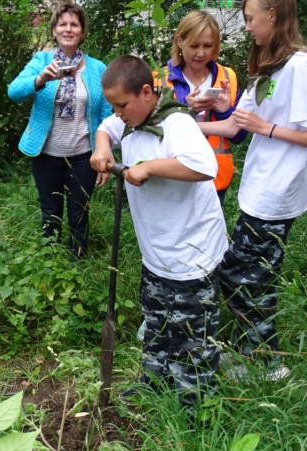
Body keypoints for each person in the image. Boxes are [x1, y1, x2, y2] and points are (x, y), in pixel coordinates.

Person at [197, 0, 307, 380]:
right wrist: (183, 122)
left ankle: (268, 362)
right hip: (258, 189)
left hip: (276, 193)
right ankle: (256, 353)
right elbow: (233, 129)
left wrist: (265, 127)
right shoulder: (268, 66)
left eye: (249, 19)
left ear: (272, 14)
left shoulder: (300, 66)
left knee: (247, 277)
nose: (246, 28)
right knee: (248, 274)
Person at [91, 55, 228, 410]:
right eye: (113, 105)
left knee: (192, 336)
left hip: (191, 253)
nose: (117, 112)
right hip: (157, 253)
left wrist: (149, 166)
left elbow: (204, 165)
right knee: (157, 323)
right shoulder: (128, 120)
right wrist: (102, 148)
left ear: (147, 93)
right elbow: (106, 127)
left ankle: (193, 403)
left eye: (122, 104)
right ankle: (154, 380)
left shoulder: (177, 124)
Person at [8, 1, 111, 259]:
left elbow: (106, 114)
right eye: (62, 24)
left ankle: (77, 265)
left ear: (82, 31)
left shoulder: (98, 68)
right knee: (50, 213)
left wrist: (104, 151)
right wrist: (41, 79)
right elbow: (14, 92)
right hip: (47, 156)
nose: (68, 29)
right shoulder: (42, 61)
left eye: (74, 24)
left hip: (83, 155)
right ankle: (50, 266)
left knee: (79, 213)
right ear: (54, 30)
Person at [153, 10, 247, 206]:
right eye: (194, 45)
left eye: (208, 46)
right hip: (174, 175)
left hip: (215, 176)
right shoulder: (159, 79)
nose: (201, 53)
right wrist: (188, 108)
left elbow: (239, 136)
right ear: (180, 41)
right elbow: (150, 130)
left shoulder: (228, 76)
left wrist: (224, 111)